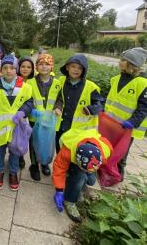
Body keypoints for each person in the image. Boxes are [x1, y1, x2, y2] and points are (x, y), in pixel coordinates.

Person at [0, 55, 33, 191]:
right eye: (5, 68)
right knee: (0, 151)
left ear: (16, 69)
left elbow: (29, 103)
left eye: (12, 68)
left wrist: (23, 112)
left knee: (15, 151)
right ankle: (0, 171)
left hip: (16, 126)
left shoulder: (25, 87)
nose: (8, 71)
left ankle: (13, 173)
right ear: (1, 70)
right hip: (0, 127)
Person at [104, 47, 147, 181]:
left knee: (121, 153)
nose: (120, 61)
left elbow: (144, 107)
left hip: (128, 127)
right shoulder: (116, 79)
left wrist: (132, 122)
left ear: (132, 64)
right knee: (109, 148)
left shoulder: (143, 83)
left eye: (123, 60)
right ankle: (106, 170)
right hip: (112, 123)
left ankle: (118, 175)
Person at [53, 128, 113, 222]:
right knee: (80, 176)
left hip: (88, 156)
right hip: (72, 144)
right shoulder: (68, 151)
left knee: (91, 180)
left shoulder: (105, 151)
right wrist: (59, 190)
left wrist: (90, 171)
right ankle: (69, 201)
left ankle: (80, 185)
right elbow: (59, 169)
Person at [55, 54, 103, 153]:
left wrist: (91, 109)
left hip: (79, 131)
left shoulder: (91, 87)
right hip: (61, 126)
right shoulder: (61, 81)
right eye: (73, 66)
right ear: (67, 67)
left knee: (73, 155)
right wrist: (58, 107)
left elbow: (100, 103)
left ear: (83, 71)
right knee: (60, 152)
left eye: (79, 68)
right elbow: (58, 98)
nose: (76, 70)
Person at [26, 54, 62, 180]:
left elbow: (60, 99)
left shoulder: (58, 83)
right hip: (34, 120)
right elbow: (27, 99)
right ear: (36, 67)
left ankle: (45, 163)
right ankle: (34, 165)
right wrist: (32, 110)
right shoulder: (30, 82)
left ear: (52, 67)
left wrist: (59, 107)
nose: (44, 67)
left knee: (47, 142)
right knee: (34, 143)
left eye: (47, 64)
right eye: (41, 64)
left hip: (51, 120)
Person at [17, 56, 35, 169]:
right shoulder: (14, 79)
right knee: (18, 138)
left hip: (32, 114)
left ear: (32, 69)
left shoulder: (35, 81)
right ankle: (19, 157)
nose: (25, 69)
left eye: (28, 67)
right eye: (23, 66)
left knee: (27, 138)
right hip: (18, 114)